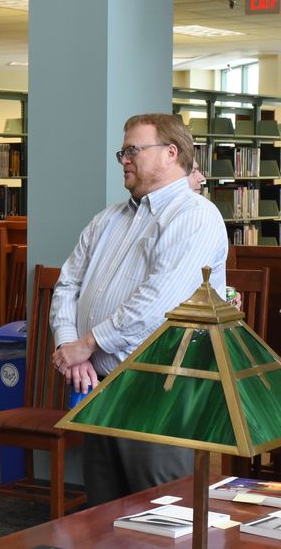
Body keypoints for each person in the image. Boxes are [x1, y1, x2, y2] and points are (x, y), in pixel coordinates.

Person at [50, 113, 228, 507]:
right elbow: (67, 285)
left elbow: (161, 302)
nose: (125, 159)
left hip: (159, 389)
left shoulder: (194, 215)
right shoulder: (108, 218)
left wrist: (89, 342)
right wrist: (71, 347)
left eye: (134, 150)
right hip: (99, 384)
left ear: (170, 153)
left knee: (164, 513)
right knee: (104, 511)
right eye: (123, 151)